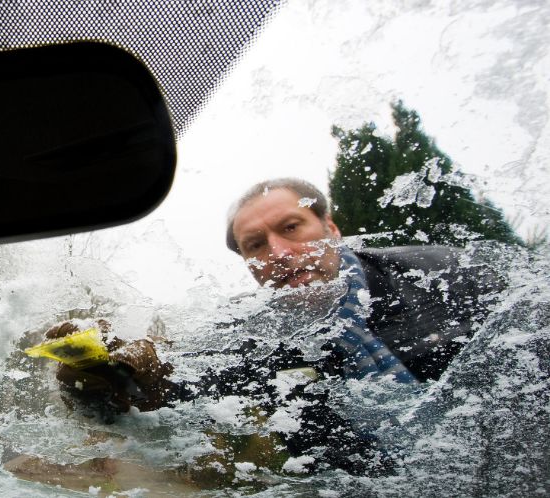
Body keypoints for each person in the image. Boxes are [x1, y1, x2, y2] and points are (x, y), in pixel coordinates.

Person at [47, 177, 504, 475]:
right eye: (256, 246)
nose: (281, 254)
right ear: (248, 265)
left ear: (332, 228)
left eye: (292, 227)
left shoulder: (441, 274)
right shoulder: (247, 334)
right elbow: (166, 398)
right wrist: (106, 380)